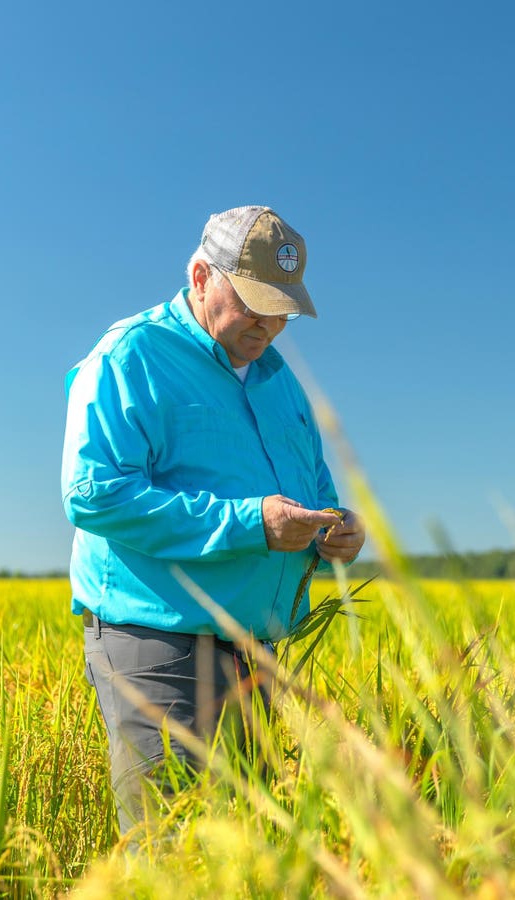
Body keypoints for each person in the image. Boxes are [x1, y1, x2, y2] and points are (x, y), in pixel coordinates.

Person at [60, 205, 366, 836]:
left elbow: (314, 488)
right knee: (172, 853)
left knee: (248, 848)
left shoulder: (281, 381)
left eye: (282, 308)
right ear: (200, 275)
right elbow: (95, 494)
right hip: (156, 643)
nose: (269, 323)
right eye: (254, 301)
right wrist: (251, 524)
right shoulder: (131, 356)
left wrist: (337, 529)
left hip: (254, 651)